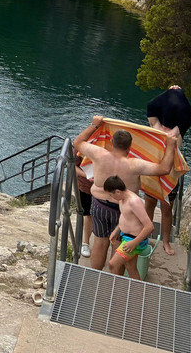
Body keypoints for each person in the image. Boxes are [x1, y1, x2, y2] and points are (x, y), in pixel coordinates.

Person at [74, 115, 180, 271]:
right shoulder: (135, 165)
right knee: (118, 245)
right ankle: (114, 280)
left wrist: (94, 125)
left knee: (99, 241)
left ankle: (95, 275)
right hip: (123, 210)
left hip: (99, 205)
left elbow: (77, 143)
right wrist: (170, 145)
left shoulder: (98, 154)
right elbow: (164, 169)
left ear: (112, 142)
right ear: (130, 147)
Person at [145, 85, 191, 255]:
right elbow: (152, 104)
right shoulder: (157, 126)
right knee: (149, 204)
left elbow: (186, 114)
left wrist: (175, 93)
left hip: (169, 174)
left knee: (166, 209)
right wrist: (170, 92)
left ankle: (166, 242)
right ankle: (145, 237)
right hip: (154, 170)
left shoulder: (176, 133)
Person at [103, 175, 154, 280]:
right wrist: (116, 231)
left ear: (117, 192)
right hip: (125, 236)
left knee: (112, 265)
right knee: (131, 267)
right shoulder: (122, 199)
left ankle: (116, 287)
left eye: (111, 195)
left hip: (133, 240)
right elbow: (126, 217)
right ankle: (136, 289)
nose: (110, 197)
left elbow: (149, 226)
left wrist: (134, 243)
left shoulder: (134, 202)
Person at [75, 153, 94, 259]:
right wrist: (87, 175)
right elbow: (73, 166)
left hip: (105, 187)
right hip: (86, 187)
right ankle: (85, 242)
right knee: (88, 214)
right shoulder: (81, 147)